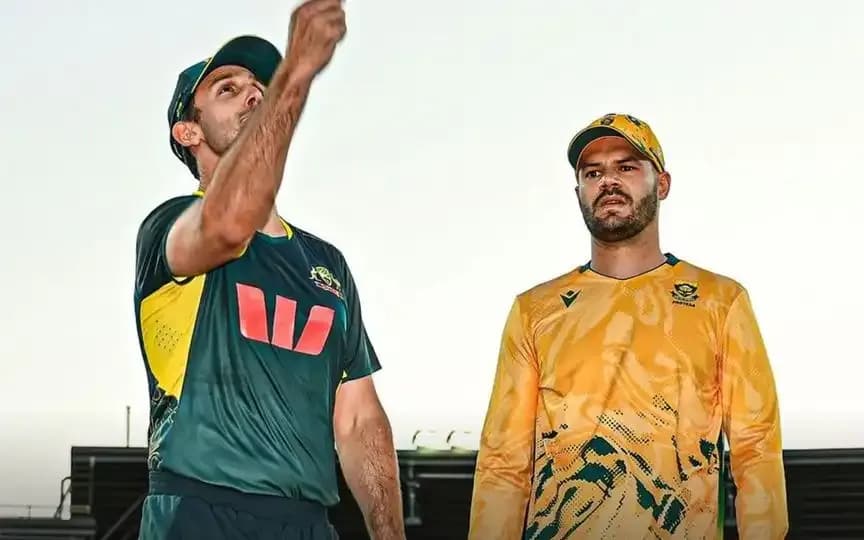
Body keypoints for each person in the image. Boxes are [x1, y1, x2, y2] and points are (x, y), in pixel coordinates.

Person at [132, 1, 405, 538]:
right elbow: (229, 225)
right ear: (188, 131)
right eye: (227, 88)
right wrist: (296, 70)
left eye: (260, 85)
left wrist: (389, 531)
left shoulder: (327, 265)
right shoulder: (168, 228)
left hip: (306, 522)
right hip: (199, 511)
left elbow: (357, 418)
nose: (255, 91)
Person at [468, 113, 787, 539]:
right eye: (593, 172)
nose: (608, 181)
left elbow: (757, 452)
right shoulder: (535, 311)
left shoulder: (720, 301)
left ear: (664, 183)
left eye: (627, 167)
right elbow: (503, 465)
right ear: (579, 191)